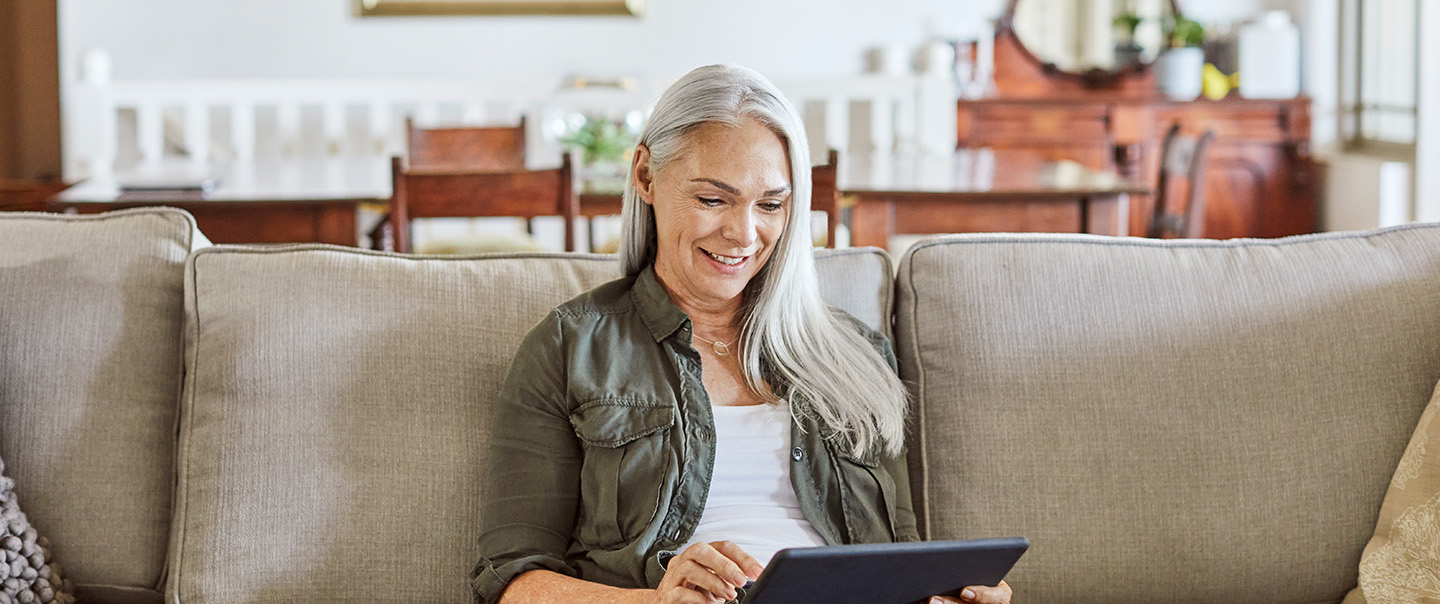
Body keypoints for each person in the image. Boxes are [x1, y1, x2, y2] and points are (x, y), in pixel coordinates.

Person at [472, 64, 1012, 604]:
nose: (744, 234)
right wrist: (653, 602)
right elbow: (511, 580)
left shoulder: (857, 355)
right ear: (646, 175)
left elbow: (903, 557)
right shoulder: (572, 347)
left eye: (771, 205)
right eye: (713, 199)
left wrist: (945, 595)